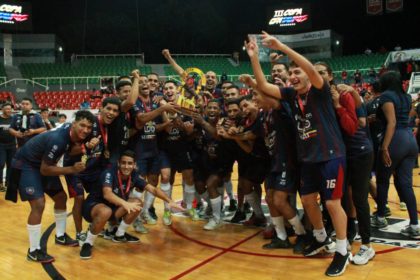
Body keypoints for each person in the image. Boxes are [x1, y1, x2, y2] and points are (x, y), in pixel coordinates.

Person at [246, 32, 350, 276]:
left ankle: (343, 252)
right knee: (306, 200)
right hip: (308, 159)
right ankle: (321, 237)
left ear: (307, 74)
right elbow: (262, 86)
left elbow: (311, 70)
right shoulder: (292, 96)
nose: (292, 77)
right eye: (290, 74)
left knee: (332, 203)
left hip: (330, 155)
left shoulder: (319, 91)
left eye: (296, 73)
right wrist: (253, 58)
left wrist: (282, 47)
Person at [7, 110, 96, 263]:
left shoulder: (71, 133)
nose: (86, 130)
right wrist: (72, 169)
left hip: (42, 164)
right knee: (39, 204)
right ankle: (34, 251)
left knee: (61, 197)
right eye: (82, 125)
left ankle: (60, 236)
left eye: (89, 127)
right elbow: (45, 169)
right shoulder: (58, 139)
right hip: (27, 165)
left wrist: (86, 147)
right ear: (74, 123)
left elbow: (69, 151)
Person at [79, 150, 184, 259]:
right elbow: (107, 194)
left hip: (113, 209)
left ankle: (119, 234)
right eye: (123, 163)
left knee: (137, 203)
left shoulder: (134, 175)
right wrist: (125, 204)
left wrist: (169, 200)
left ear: (134, 165)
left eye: (130, 163)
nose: (126, 166)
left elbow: (153, 189)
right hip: (93, 207)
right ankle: (88, 243)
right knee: (106, 211)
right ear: (119, 163)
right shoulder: (109, 173)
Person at [371, 71, 419, 239]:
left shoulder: (386, 96)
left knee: (383, 180)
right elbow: (410, 114)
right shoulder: (406, 96)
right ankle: (414, 224)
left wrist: (384, 148)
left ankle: (380, 217)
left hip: (395, 140)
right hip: (410, 140)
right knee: (405, 184)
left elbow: (392, 123)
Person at [0, 103, 16, 192]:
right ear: (2, 109)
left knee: (11, 164)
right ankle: (0, 184)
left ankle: (8, 183)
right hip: (1, 145)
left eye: (10, 109)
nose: (9, 110)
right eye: (7, 109)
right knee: (1, 164)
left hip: (12, 145)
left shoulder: (13, 119)